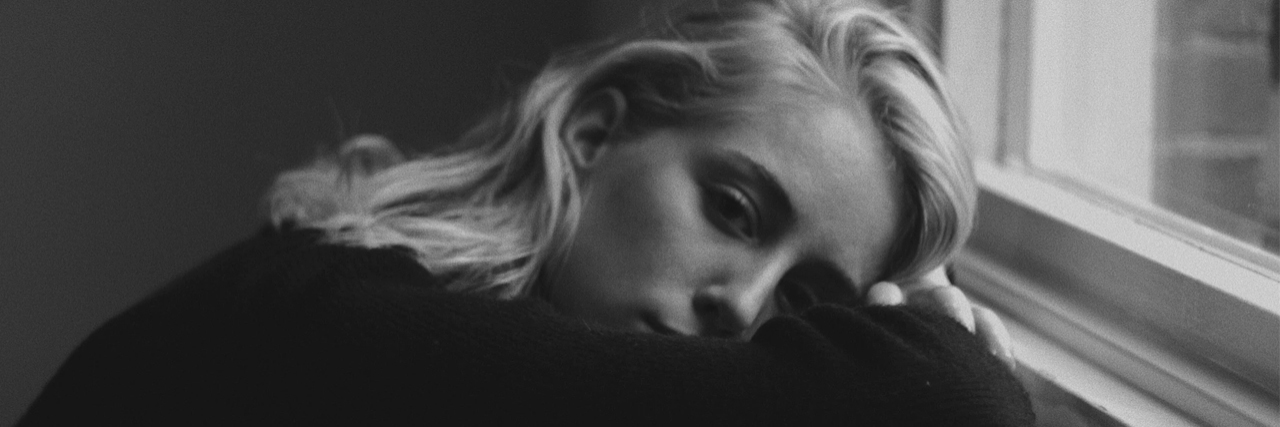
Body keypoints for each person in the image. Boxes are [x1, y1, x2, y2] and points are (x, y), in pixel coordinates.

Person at [18, 0, 1033, 425]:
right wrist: (939, 364)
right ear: (593, 134)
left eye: (808, 298)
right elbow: (947, 403)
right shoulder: (327, 314)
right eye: (732, 210)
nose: (744, 303)